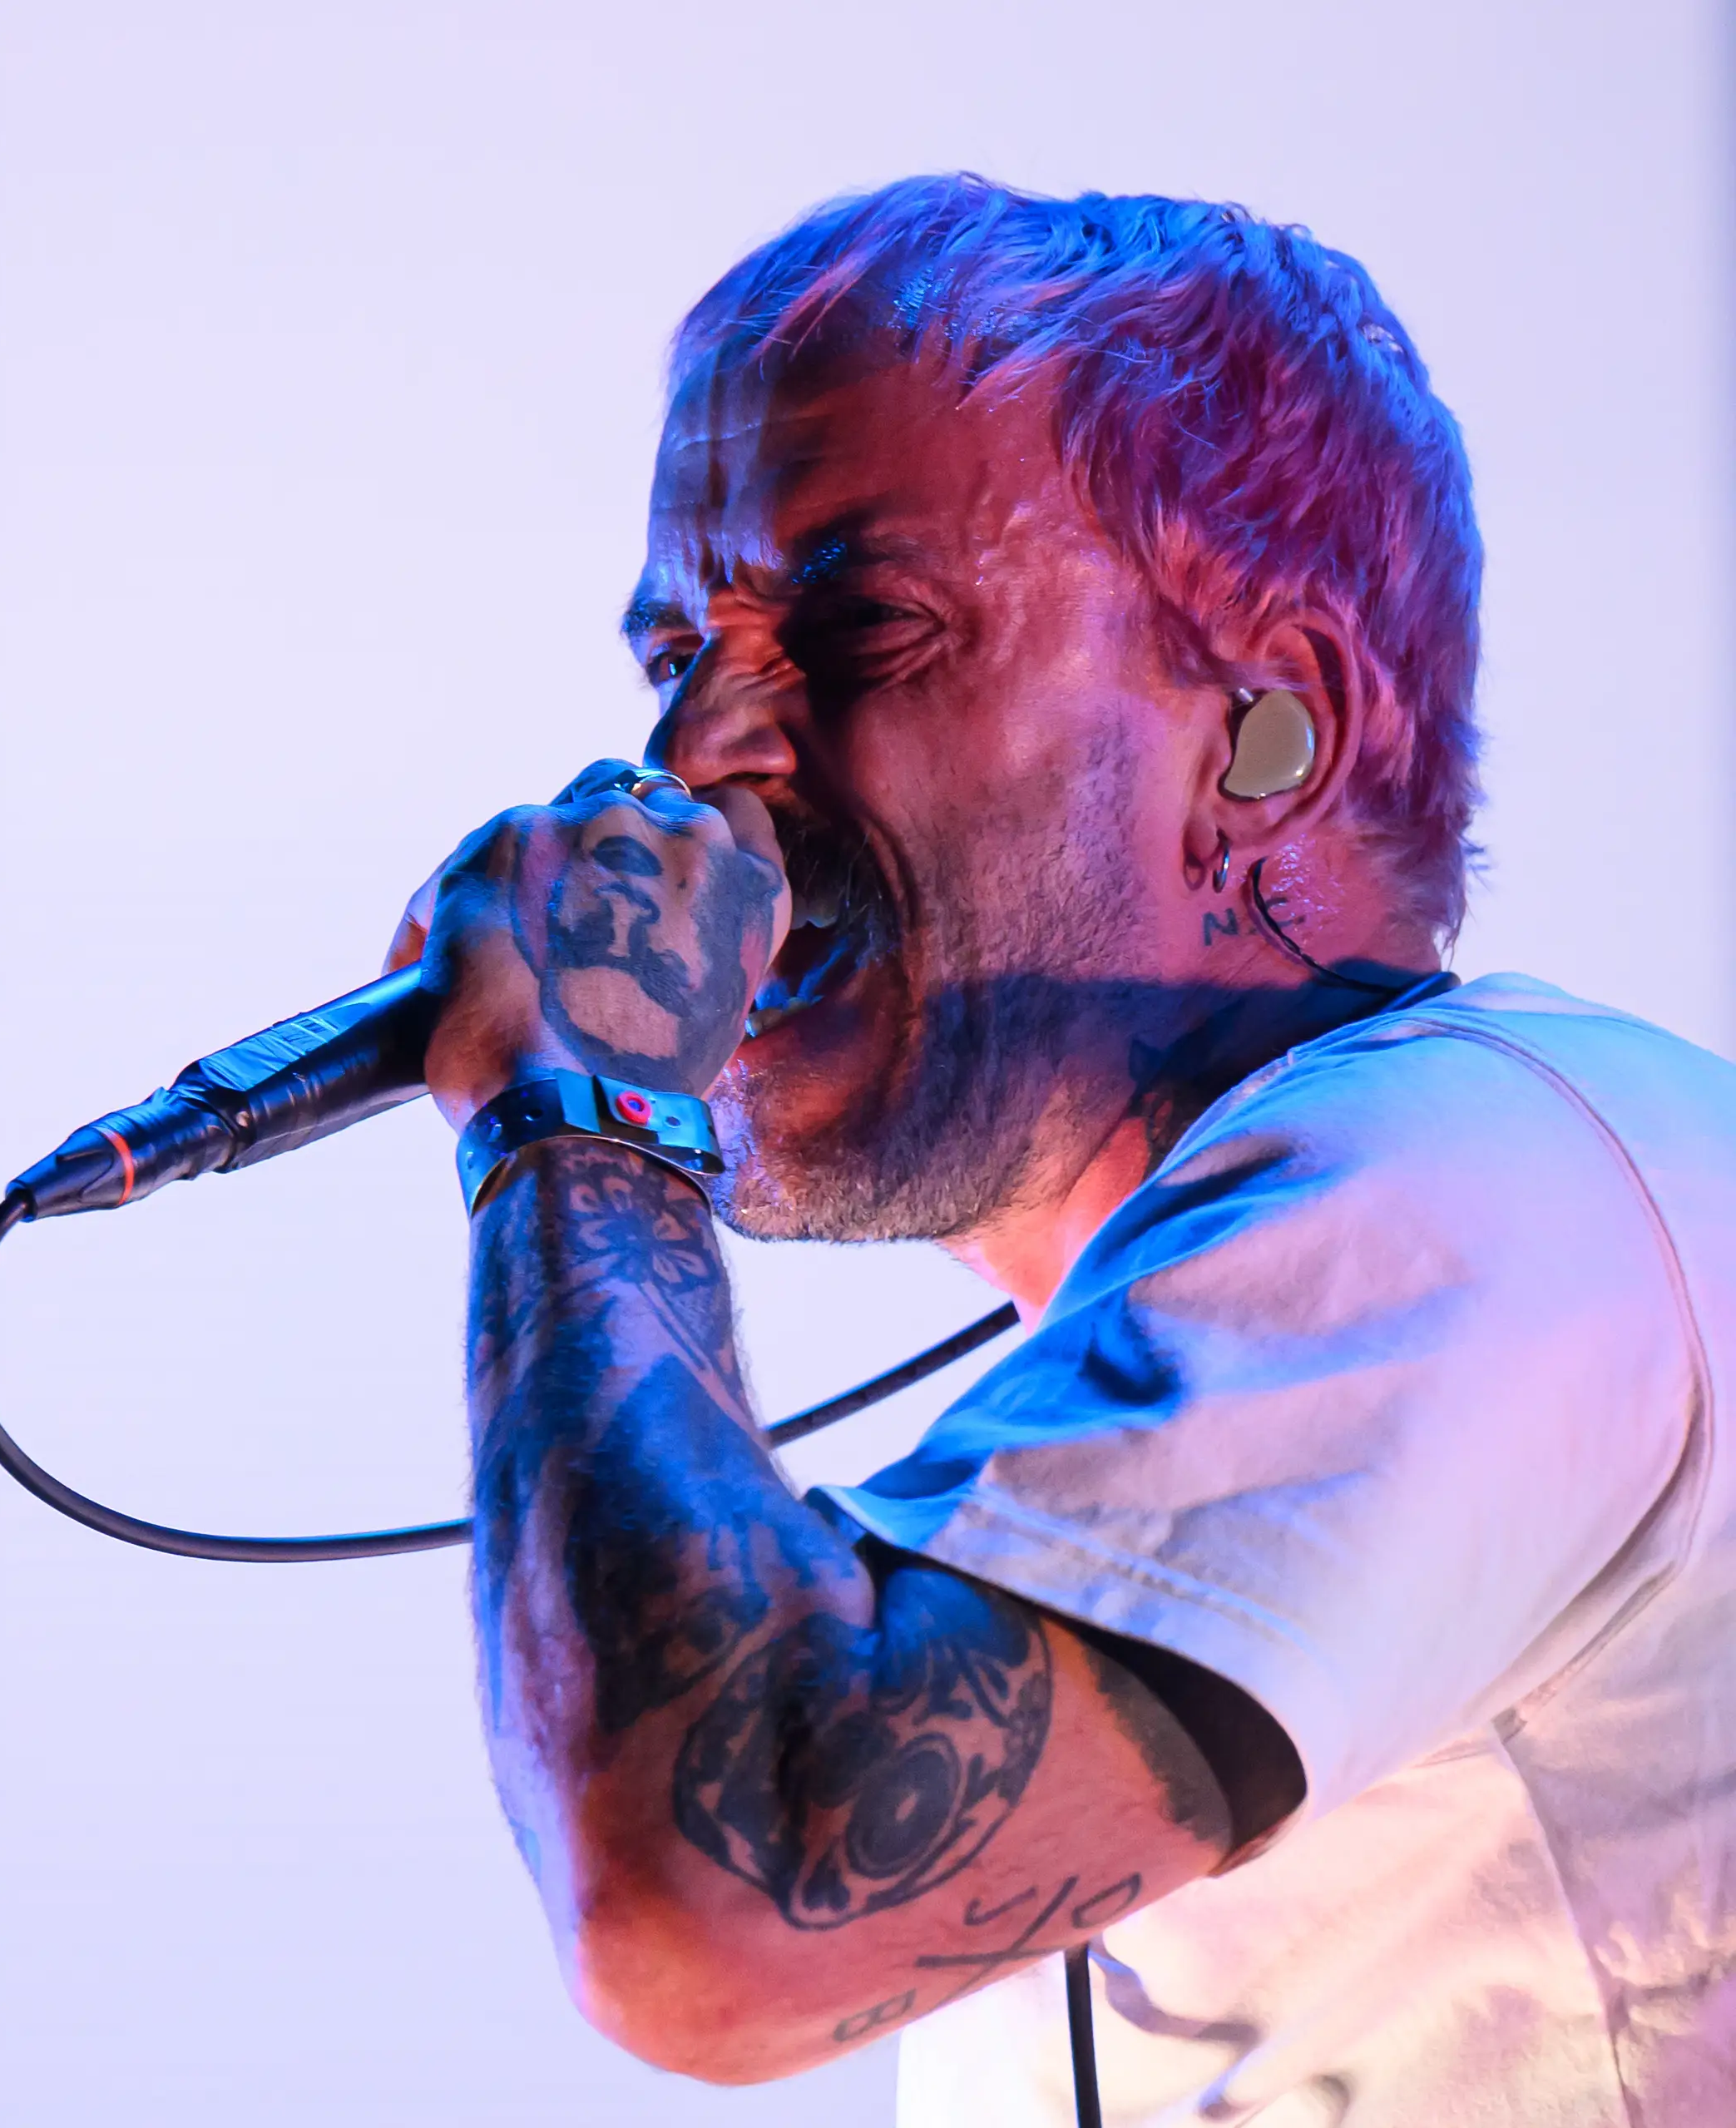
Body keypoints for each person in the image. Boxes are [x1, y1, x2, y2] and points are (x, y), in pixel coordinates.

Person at [391, 176, 1735, 2125]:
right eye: (674, 649)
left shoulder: (1480, 1175)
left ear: (1274, 730)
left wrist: (579, 1122)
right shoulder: (1144, 1398)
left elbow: (718, 1910)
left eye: (861, 622)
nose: (693, 758)